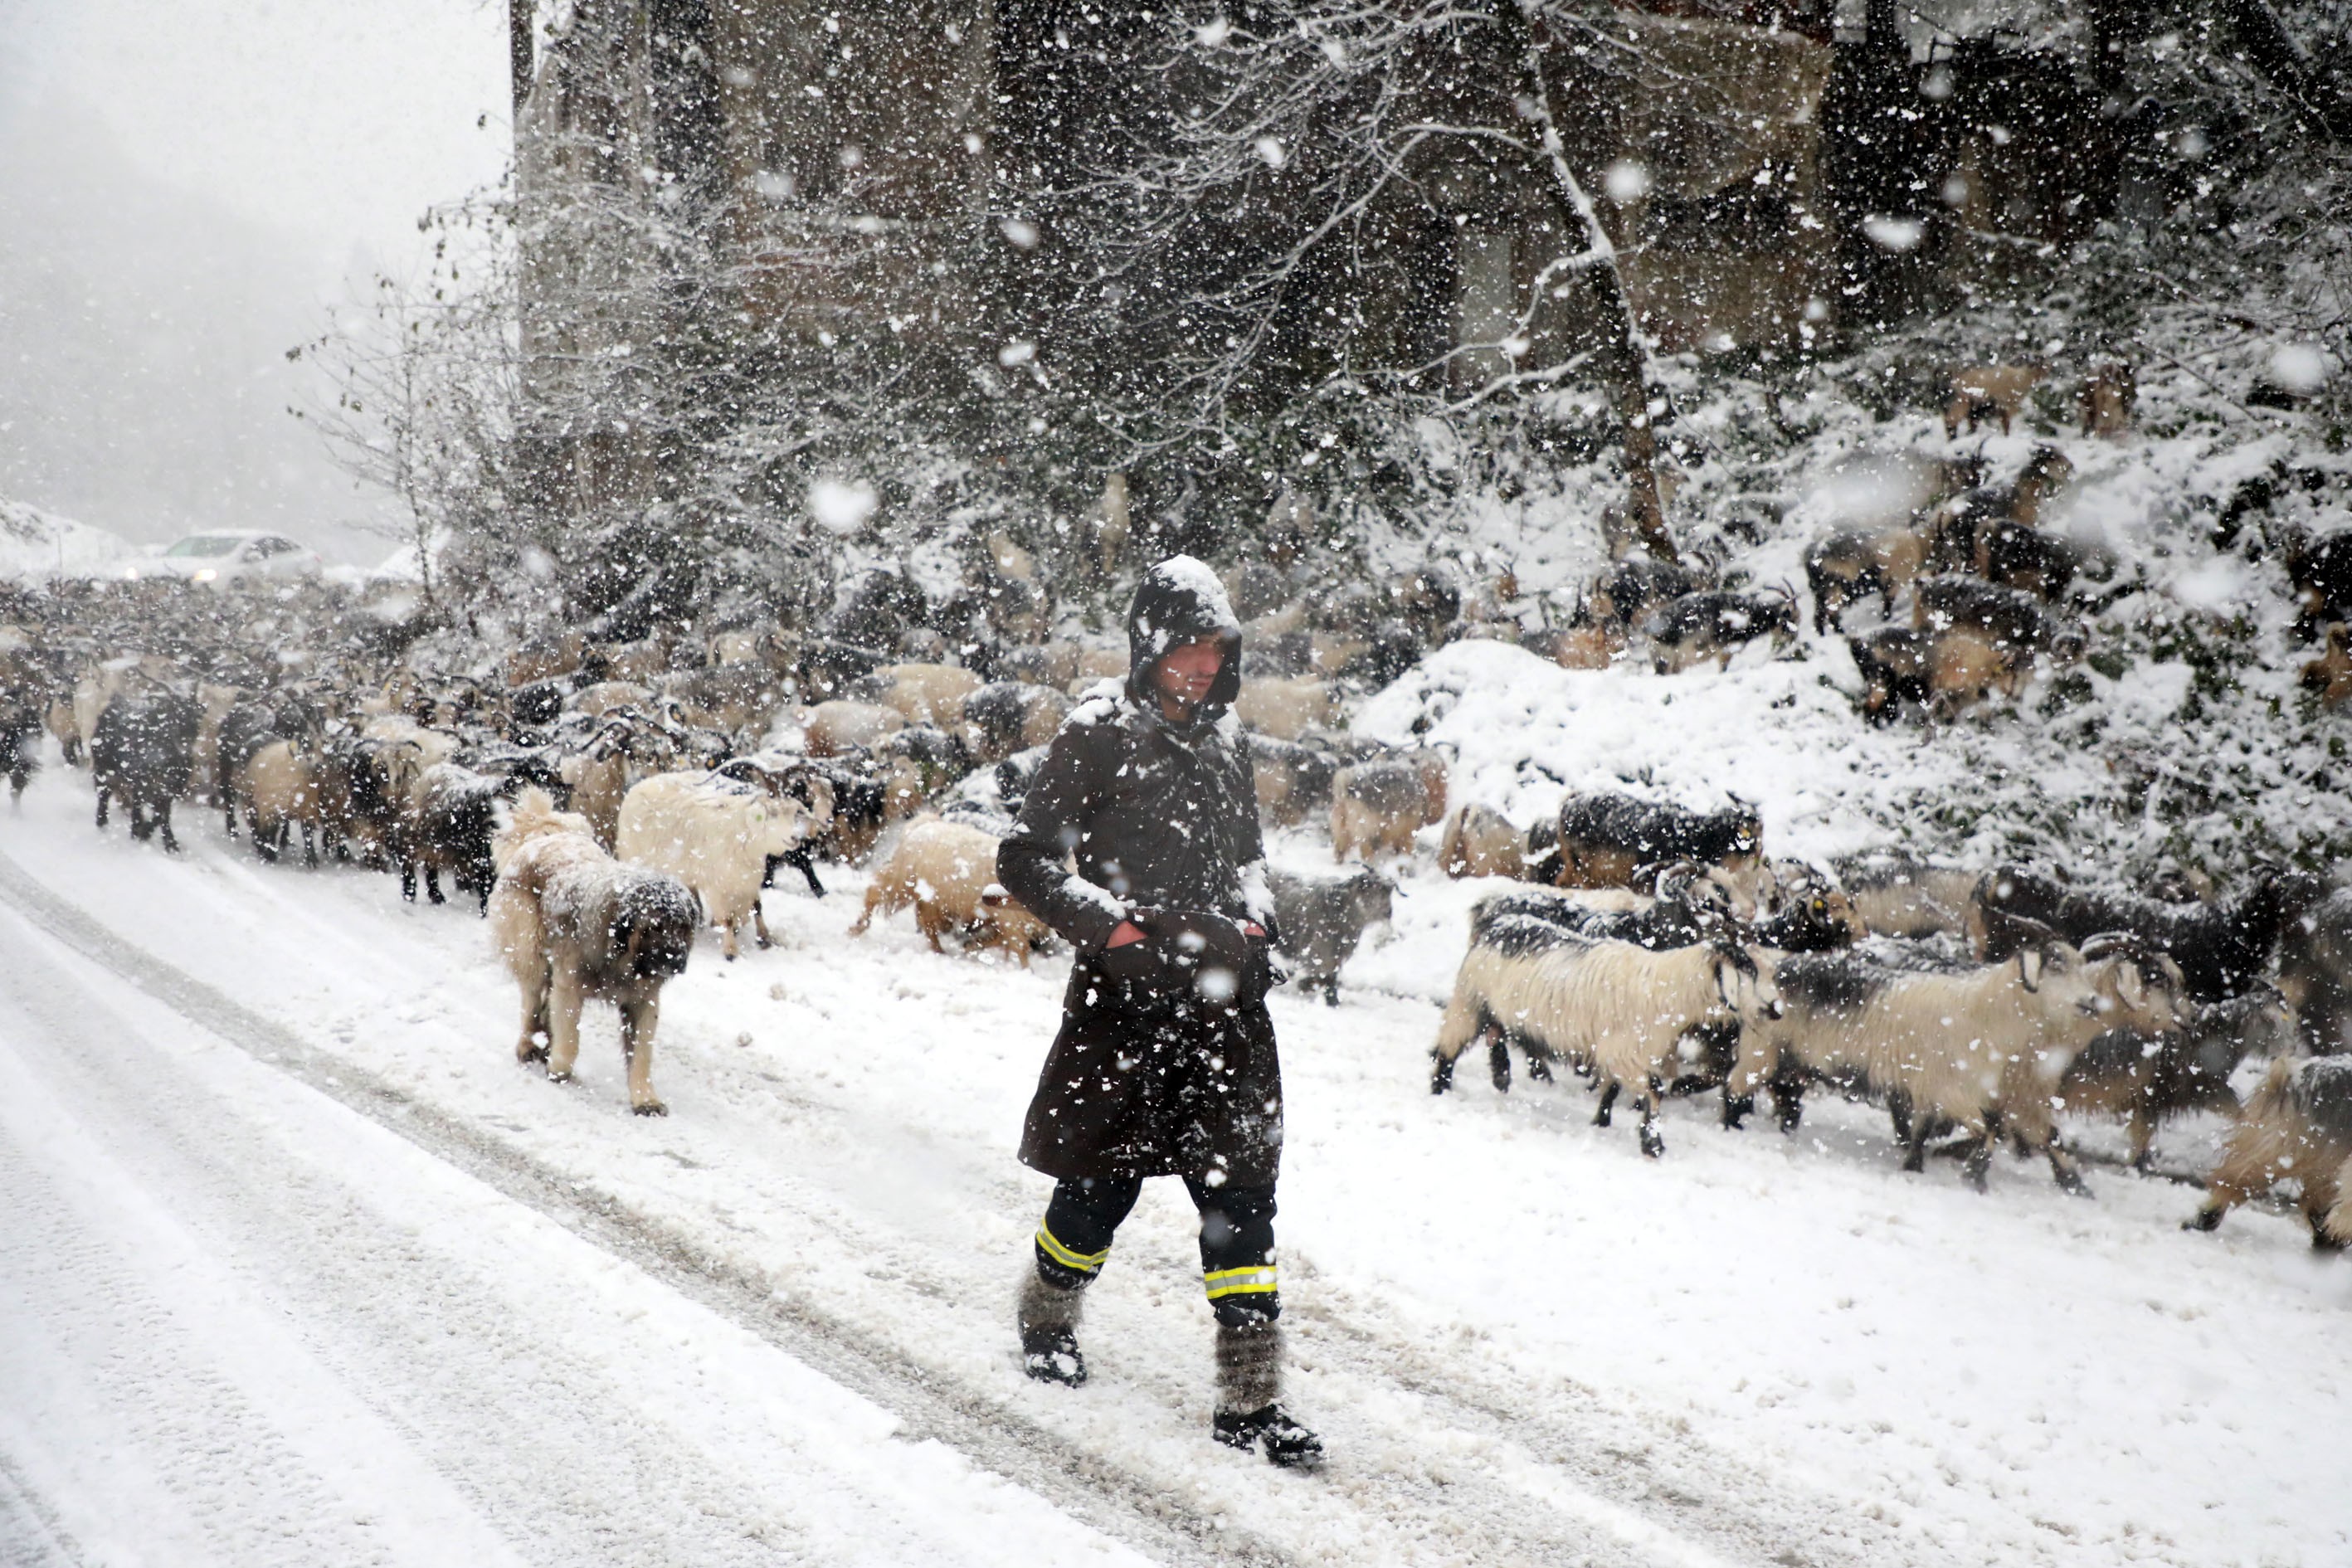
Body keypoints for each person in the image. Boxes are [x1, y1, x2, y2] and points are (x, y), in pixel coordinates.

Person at [995, 555, 1323, 1468]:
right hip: (1127, 1008)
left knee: (1243, 1202)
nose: (1201, 669)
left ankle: (1250, 1402)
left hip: (1225, 1011)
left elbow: (1250, 859)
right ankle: (1047, 1321)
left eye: (1214, 653)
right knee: (1101, 1188)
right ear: (1148, 649)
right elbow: (1025, 861)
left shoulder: (1225, 745)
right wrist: (1115, 936)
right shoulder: (1096, 735)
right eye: (1184, 652)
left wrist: (1260, 926)